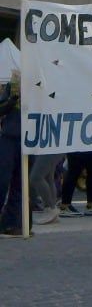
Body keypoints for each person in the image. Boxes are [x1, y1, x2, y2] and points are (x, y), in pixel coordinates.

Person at [0, 70, 23, 236]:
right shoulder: (13, 84)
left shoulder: (44, 85)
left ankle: (11, 223)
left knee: (20, 184)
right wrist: (12, 100)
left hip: (29, 141)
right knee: (2, 181)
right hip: (9, 137)